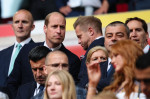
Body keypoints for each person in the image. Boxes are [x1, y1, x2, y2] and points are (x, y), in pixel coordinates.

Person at [7, 12, 81, 99]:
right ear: (45, 28)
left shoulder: (72, 60)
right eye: (54, 26)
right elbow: (12, 82)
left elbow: (73, 90)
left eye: (62, 27)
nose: (59, 31)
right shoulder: (26, 50)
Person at [0, 9, 35, 92]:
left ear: (32, 27)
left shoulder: (39, 51)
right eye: (16, 22)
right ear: (12, 26)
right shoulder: (2, 54)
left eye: (24, 22)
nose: (20, 25)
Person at [73, 16, 104, 88]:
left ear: (91, 31)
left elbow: (86, 80)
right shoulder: (103, 46)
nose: (79, 41)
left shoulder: (96, 50)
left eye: (80, 36)